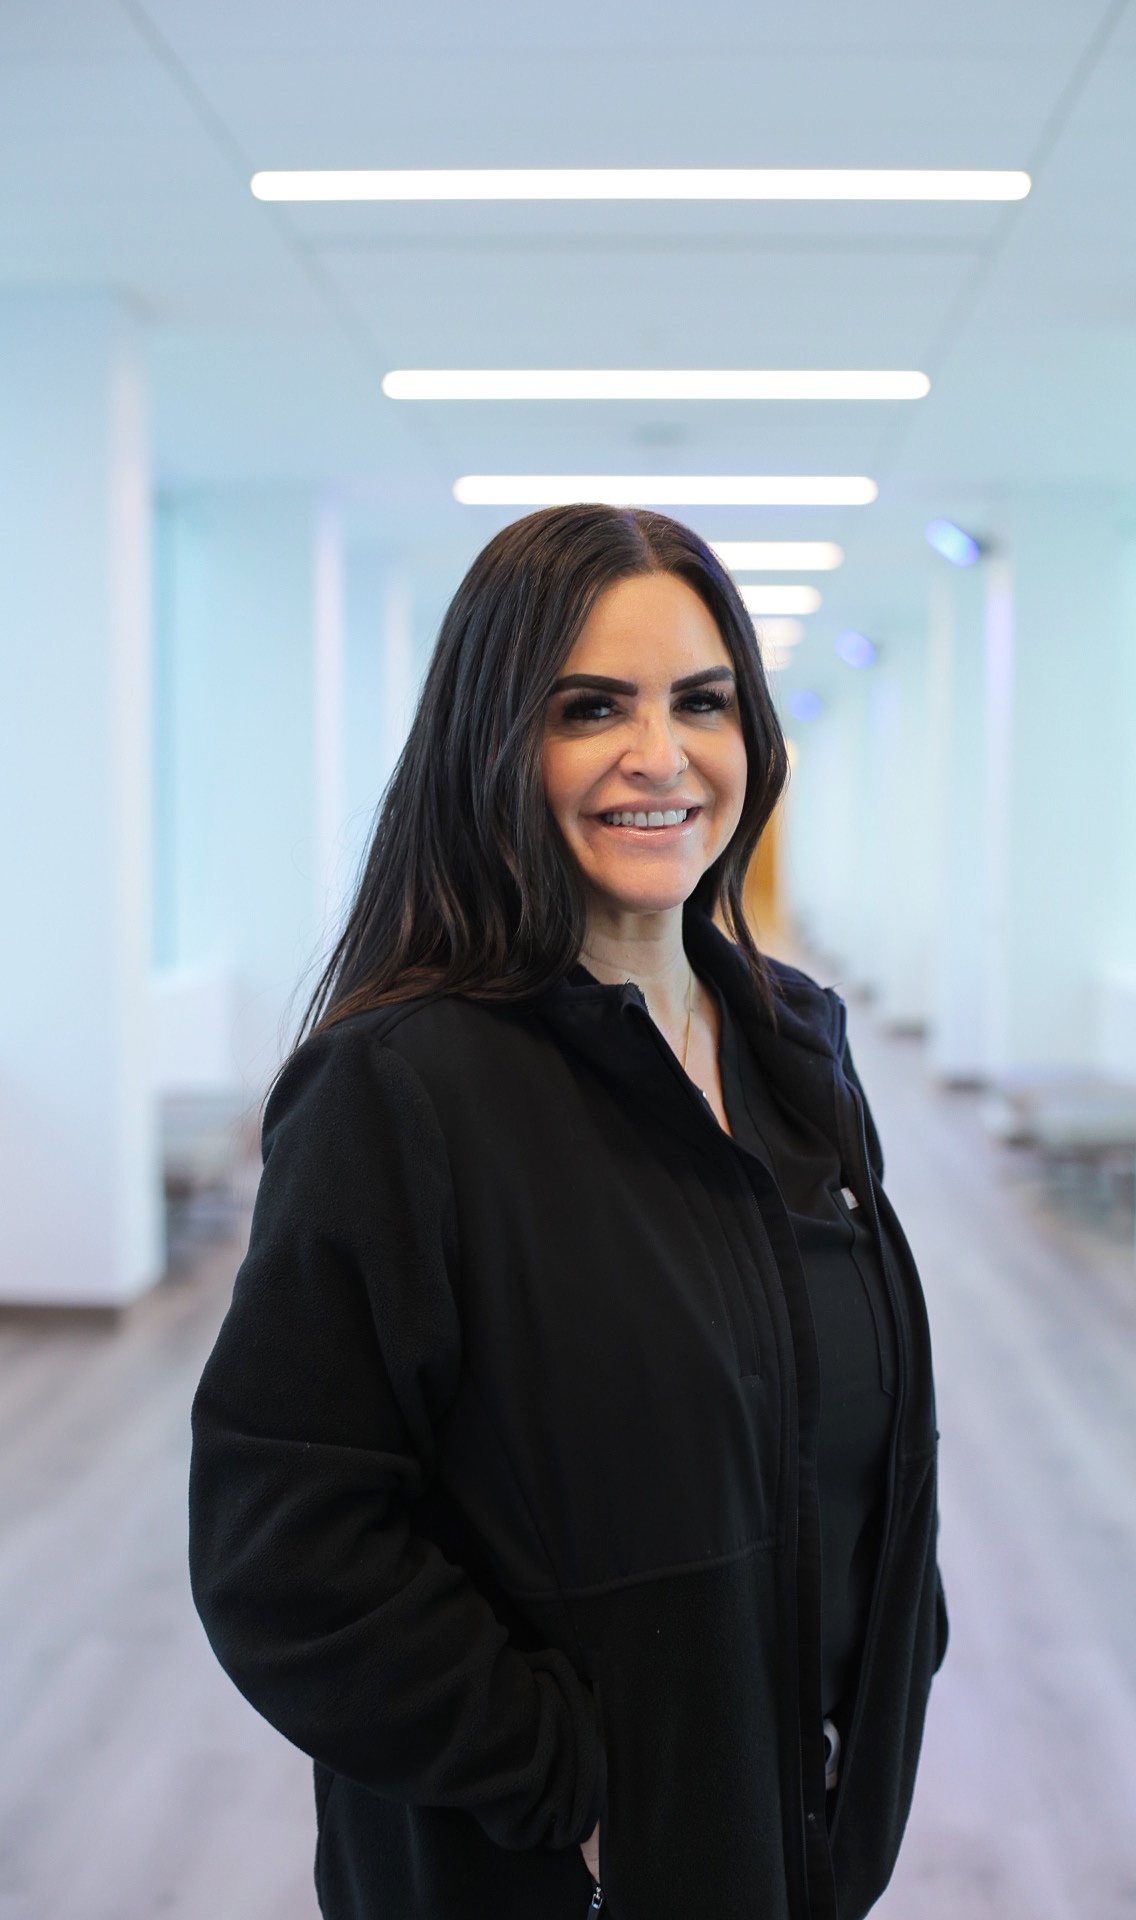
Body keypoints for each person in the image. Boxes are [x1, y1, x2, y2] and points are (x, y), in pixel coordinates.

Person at [189, 505, 946, 1920]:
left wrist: (891, 1675)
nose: (661, 756)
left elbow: (850, 1433)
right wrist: (576, 1790)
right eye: (591, 707)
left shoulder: (795, 1047)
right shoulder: (399, 1088)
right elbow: (283, 1552)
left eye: (702, 702)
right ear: (494, 742)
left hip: (795, 1849)